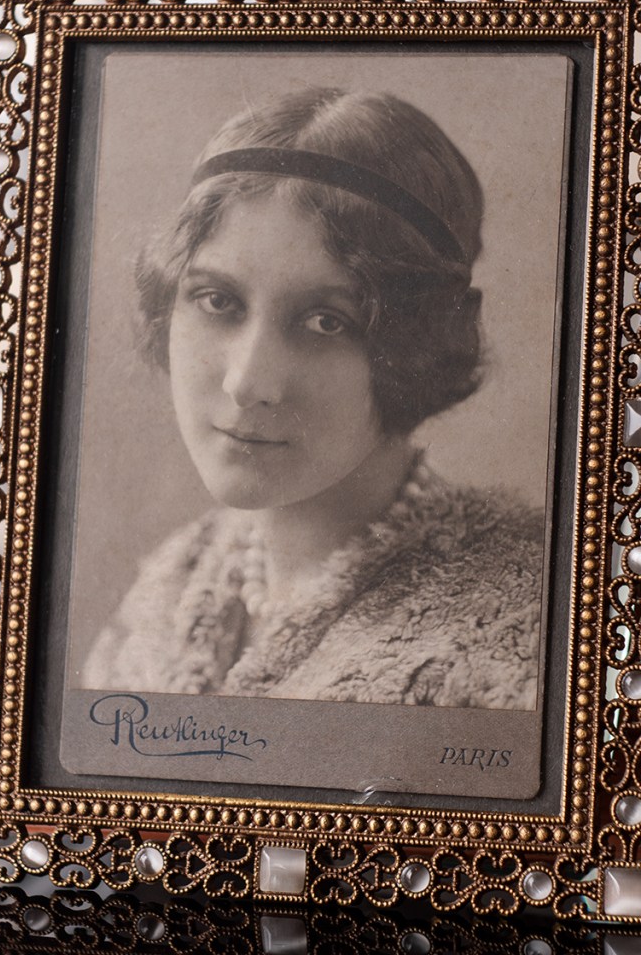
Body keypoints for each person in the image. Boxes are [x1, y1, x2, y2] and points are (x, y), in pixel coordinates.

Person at [82, 87, 543, 709]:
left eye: (327, 321)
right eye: (218, 301)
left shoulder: (521, 633)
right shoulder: (167, 591)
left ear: (417, 346)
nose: (248, 382)